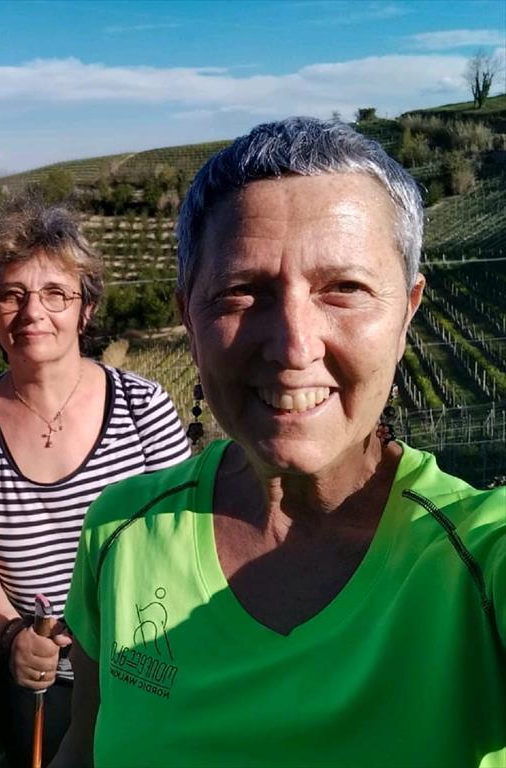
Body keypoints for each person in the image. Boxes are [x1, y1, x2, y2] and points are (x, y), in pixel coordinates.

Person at [54, 118, 506, 768]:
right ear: (189, 320)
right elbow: (82, 748)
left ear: (407, 310)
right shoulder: (120, 533)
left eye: (344, 289)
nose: (294, 347)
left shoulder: (478, 558)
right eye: (242, 292)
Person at [0, 200, 190, 768]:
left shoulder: (142, 408)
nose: (33, 311)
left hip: (147, 670)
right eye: (12, 295)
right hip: (37, 684)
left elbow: (185, 538)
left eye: (56, 293)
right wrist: (12, 634)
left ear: (86, 310)